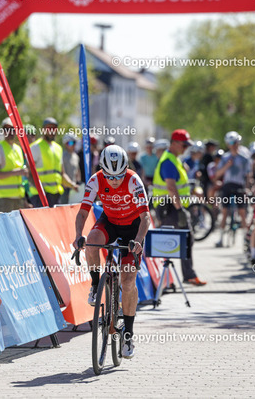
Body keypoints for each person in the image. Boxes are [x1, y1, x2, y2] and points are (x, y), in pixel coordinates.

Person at [73, 145, 151, 359]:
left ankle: (128, 335)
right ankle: (95, 284)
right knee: (91, 243)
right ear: (102, 171)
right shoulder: (95, 180)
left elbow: (146, 217)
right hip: (110, 222)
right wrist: (78, 235)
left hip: (133, 228)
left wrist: (138, 241)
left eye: (118, 176)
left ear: (126, 169)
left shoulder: (134, 180)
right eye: (109, 176)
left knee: (128, 281)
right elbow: (82, 212)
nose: (114, 181)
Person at [153, 129, 206, 286]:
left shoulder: (174, 159)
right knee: (180, 240)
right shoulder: (169, 161)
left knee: (178, 240)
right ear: (174, 143)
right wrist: (179, 209)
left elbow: (179, 185)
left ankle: (167, 279)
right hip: (170, 207)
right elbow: (171, 187)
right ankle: (179, 277)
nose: (186, 148)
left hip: (170, 207)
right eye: (184, 145)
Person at [29, 117, 78, 208]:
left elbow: (62, 174)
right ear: (43, 130)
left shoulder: (58, 148)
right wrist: (40, 191)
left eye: (54, 128)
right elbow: (29, 172)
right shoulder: (35, 147)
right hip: (40, 196)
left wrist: (72, 185)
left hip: (56, 195)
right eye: (49, 128)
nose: (51, 131)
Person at [214, 131, 250, 248]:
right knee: (224, 212)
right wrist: (227, 166)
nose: (233, 145)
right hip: (227, 185)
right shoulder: (225, 158)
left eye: (235, 142)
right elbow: (218, 174)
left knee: (242, 212)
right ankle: (221, 238)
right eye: (230, 143)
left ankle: (246, 238)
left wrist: (247, 188)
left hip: (239, 186)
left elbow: (248, 175)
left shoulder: (244, 159)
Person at [0, 118, 29, 213]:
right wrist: (16, 172)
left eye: (12, 129)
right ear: (3, 131)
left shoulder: (18, 149)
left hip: (18, 199)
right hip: (3, 200)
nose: (10, 132)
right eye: (7, 129)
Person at [60, 133, 81, 204]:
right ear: (65, 144)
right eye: (71, 143)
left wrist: (79, 183)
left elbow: (77, 172)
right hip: (64, 189)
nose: (73, 145)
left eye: (74, 142)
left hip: (74, 188)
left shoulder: (76, 156)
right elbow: (62, 173)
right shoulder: (62, 156)